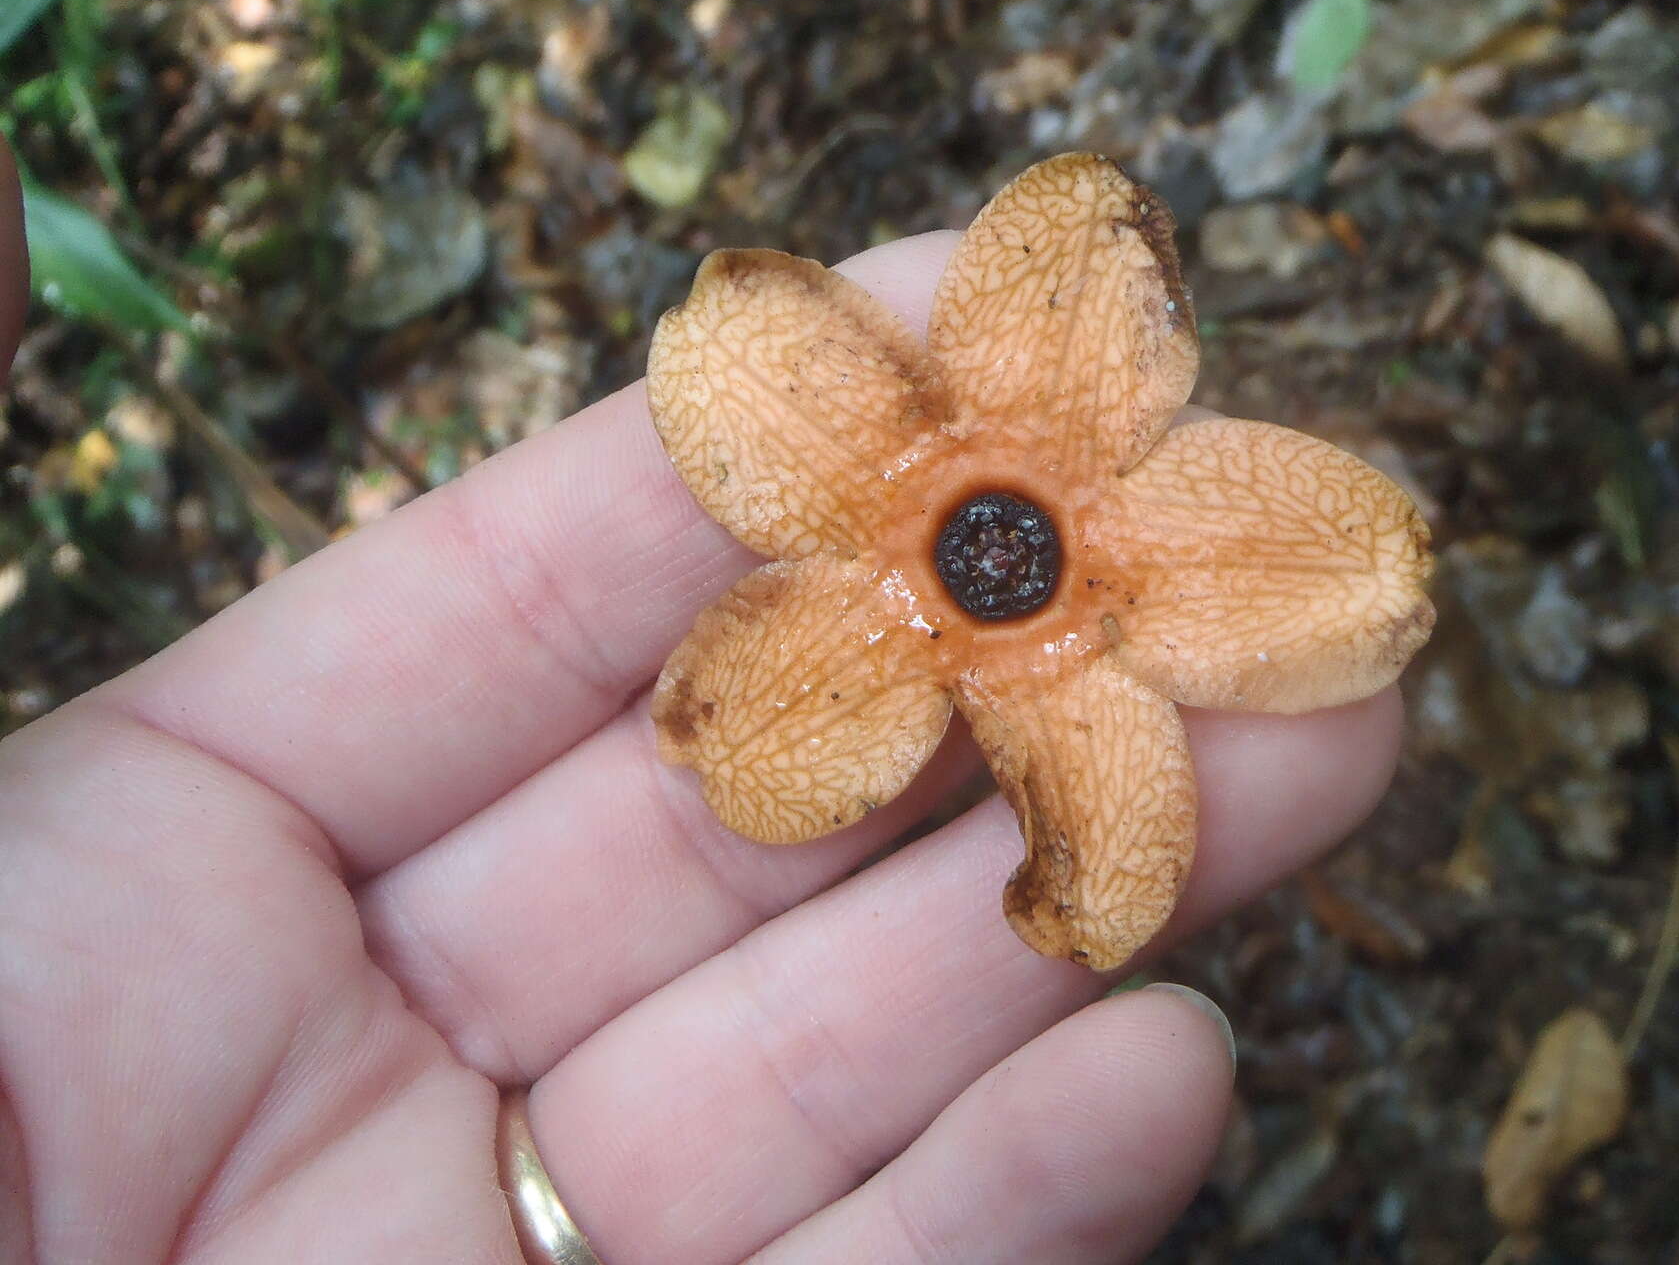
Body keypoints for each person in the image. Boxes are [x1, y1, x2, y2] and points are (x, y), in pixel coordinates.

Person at [0, 135, 1402, 1263]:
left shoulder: (1057, 403)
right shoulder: (846, 542)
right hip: (896, 623)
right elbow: (735, 374)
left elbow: (1337, 584)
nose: (1000, 557)